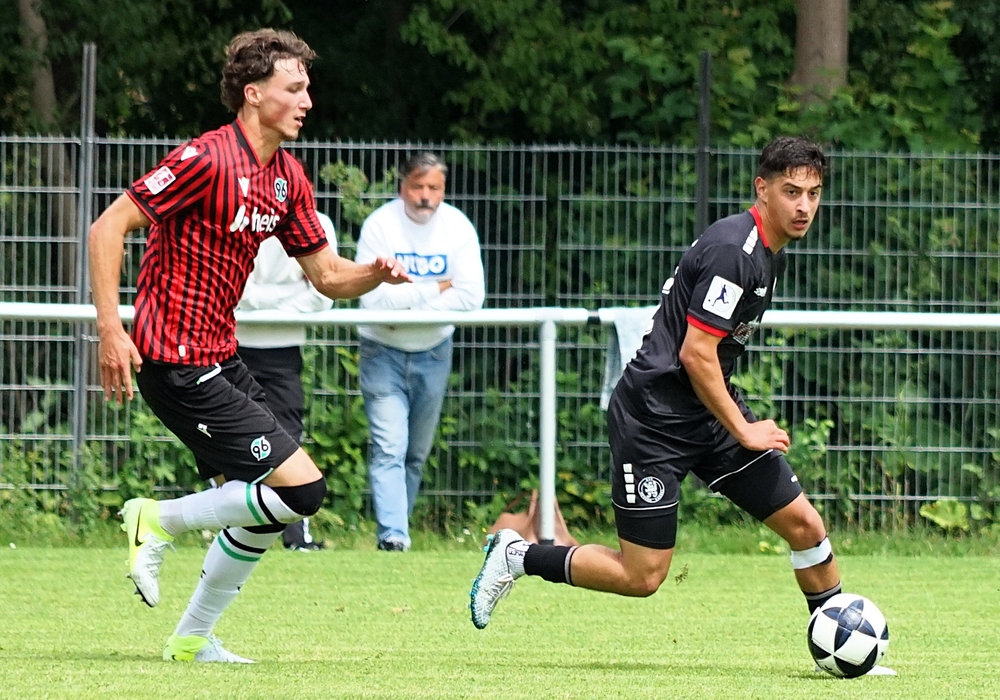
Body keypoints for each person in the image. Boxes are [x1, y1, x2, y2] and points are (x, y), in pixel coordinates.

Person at [468, 136, 895, 676]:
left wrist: (732, 423)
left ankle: (842, 652)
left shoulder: (769, 253)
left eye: (813, 193)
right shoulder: (734, 251)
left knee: (805, 526)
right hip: (653, 420)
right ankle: (517, 556)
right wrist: (745, 429)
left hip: (706, 413)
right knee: (642, 576)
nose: (804, 205)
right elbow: (696, 353)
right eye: (791, 191)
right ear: (762, 189)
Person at [88, 28, 410, 663]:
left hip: (221, 356)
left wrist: (374, 274)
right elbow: (107, 227)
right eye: (295, 88)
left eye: (308, 88)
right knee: (303, 492)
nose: (307, 101)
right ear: (253, 93)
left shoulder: (287, 177)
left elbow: (327, 276)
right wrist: (110, 329)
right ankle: (154, 519)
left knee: (264, 509)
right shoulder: (207, 159)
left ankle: (191, 640)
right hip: (175, 361)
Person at [355, 152, 485, 551]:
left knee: (415, 453)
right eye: (417, 186)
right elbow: (373, 301)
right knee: (389, 447)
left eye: (434, 188)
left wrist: (408, 300)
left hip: (434, 351)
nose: (425, 196)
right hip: (382, 350)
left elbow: (471, 297)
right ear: (403, 187)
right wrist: (437, 287)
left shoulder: (458, 227)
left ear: (443, 190)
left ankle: (398, 535)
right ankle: (393, 535)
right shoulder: (380, 225)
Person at [236, 167, 337, 552]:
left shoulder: (318, 224)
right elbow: (236, 292)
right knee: (234, 439)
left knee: (288, 436)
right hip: (234, 344)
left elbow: (322, 297)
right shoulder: (242, 219)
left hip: (284, 351)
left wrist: (261, 299)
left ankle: (296, 537)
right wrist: (289, 295)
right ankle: (239, 527)